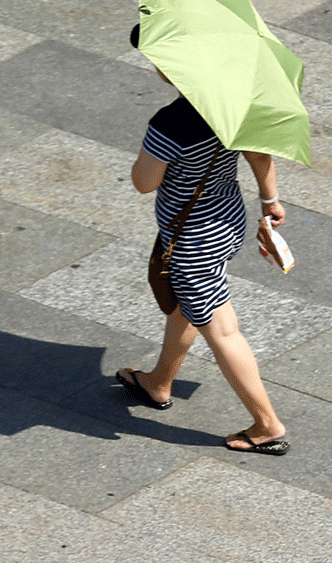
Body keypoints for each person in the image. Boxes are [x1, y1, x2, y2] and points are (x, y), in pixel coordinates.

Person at [114, 23, 289, 455]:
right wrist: (271, 200)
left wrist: (153, 153)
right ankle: (159, 381)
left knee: (223, 330)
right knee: (189, 302)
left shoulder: (172, 122)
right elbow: (258, 152)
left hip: (191, 236)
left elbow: (143, 182)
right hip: (227, 219)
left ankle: (267, 425)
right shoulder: (236, 101)